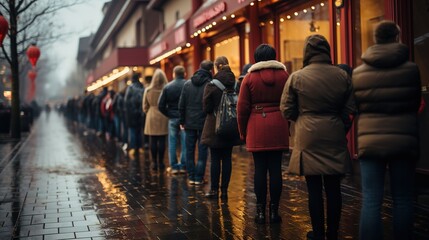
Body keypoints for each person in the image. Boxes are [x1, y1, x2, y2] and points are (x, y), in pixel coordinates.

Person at [280, 35, 355, 240]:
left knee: (313, 188)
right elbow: (350, 109)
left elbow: (286, 109)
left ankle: (318, 233)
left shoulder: (297, 77)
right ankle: (333, 233)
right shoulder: (342, 76)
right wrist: (339, 125)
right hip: (334, 132)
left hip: (308, 135)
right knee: (333, 187)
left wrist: (303, 120)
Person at [352, 21, 421, 240]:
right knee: (403, 198)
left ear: (376, 39)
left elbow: (356, 106)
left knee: (372, 198)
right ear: (397, 37)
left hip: (370, 141)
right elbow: (414, 102)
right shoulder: (411, 69)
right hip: (403, 138)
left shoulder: (359, 72)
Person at [237, 44, 289, 224]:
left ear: (256, 57)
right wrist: (287, 125)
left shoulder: (249, 78)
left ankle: (260, 212)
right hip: (279, 125)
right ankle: (274, 212)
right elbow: (290, 102)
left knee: (259, 170)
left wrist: (243, 131)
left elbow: (242, 108)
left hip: (256, 126)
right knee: (276, 170)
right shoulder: (284, 76)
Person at [201, 56, 242, 199]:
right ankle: (224, 191)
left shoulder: (212, 85)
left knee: (214, 159)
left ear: (217, 66)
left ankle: (214, 190)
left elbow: (206, 108)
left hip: (214, 126)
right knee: (227, 158)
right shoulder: (236, 84)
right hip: (231, 125)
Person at [179, 60, 212, 185]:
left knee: (189, 150)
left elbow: (181, 105)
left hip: (189, 123)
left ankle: (191, 176)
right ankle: (199, 178)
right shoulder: (209, 84)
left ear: (199, 68)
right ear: (210, 70)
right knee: (203, 150)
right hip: (204, 122)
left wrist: (182, 120)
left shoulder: (187, 84)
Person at [158, 65, 187, 174]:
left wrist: (169, 113)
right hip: (184, 118)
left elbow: (160, 105)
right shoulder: (187, 85)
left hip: (172, 118)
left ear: (173, 74)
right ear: (184, 74)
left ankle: (174, 166)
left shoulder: (168, 87)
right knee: (185, 142)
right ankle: (183, 165)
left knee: (172, 142)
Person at [143, 69, 169, 171]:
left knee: (152, 140)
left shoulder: (148, 90)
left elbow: (145, 106)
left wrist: (148, 112)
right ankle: (161, 162)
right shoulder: (166, 89)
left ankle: (154, 162)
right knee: (162, 140)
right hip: (163, 115)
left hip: (151, 114)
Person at [124, 72, 145, 156]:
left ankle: (132, 148)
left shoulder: (130, 88)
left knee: (132, 131)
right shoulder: (142, 87)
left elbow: (126, 101)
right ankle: (140, 147)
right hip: (140, 113)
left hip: (131, 114)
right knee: (139, 130)